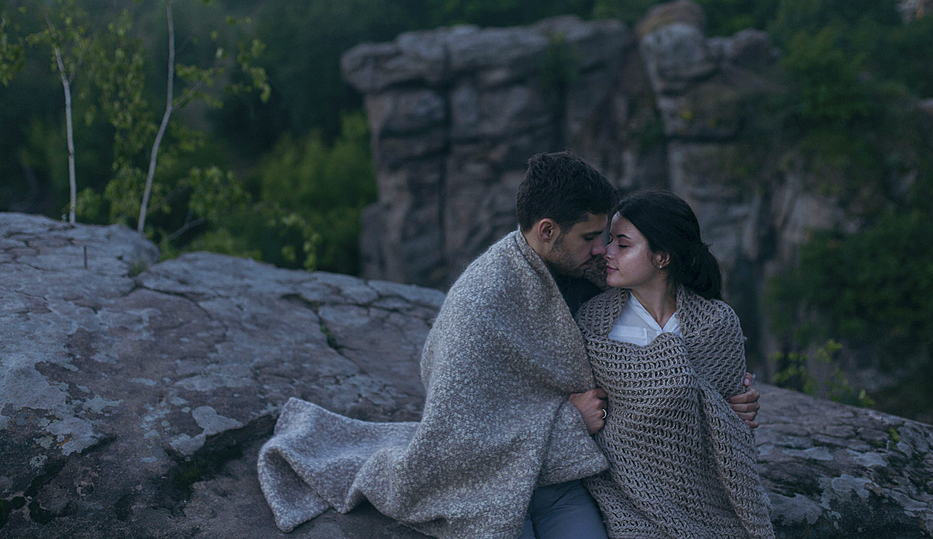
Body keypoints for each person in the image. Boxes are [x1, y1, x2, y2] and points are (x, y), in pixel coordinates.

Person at [257, 153, 759, 538]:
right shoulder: (483, 304)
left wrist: (721, 399)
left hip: (568, 479)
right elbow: (459, 442)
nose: (601, 249)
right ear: (547, 232)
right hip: (492, 479)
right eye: (591, 237)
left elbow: (674, 354)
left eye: (610, 239)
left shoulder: (589, 278)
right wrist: (568, 424)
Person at [575, 190, 774, 538]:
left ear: (662, 256)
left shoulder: (716, 322)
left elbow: (732, 421)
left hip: (709, 496)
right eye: (610, 242)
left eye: (623, 245)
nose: (606, 252)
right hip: (625, 493)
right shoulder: (593, 323)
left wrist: (736, 407)